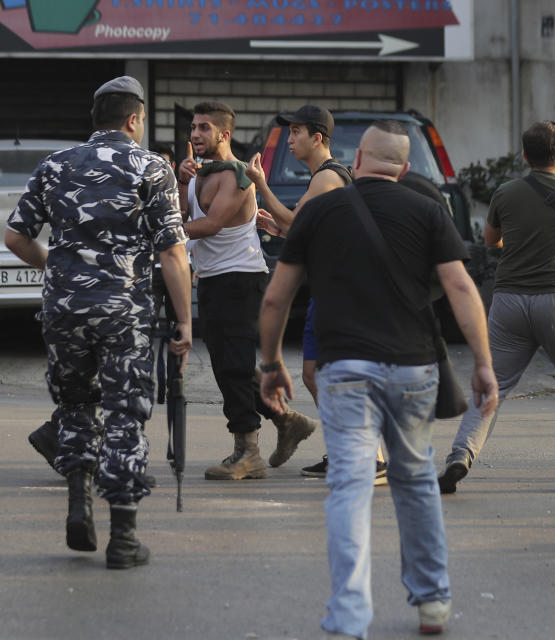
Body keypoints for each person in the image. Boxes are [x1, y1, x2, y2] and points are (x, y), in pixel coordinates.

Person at [258, 119, 497, 639]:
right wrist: (481, 362)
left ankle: (348, 615)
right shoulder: (429, 211)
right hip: (414, 369)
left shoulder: (319, 211)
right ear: (405, 169)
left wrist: (272, 362)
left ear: (357, 160)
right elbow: (460, 286)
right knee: (415, 481)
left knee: (349, 485)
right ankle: (432, 602)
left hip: (344, 370)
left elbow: (277, 296)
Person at [4, 76, 193, 569]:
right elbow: (173, 253)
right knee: (125, 413)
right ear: (134, 119)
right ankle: (124, 538)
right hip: (124, 312)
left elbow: (16, 238)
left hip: (64, 309)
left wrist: (60, 268)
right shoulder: (152, 168)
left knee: (74, 405)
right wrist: (187, 323)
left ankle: (77, 504)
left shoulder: (55, 166)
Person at [436, 120, 555, 495]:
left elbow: (493, 241)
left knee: (493, 384)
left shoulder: (506, 194)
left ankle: (460, 454)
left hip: (508, 303)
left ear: (525, 156)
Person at [176, 101, 315, 481]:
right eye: (193, 127)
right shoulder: (200, 172)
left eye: (204, 128)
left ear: (224, 134)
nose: (195, 135)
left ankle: (247, 452)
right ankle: (287, 420)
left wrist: (159, 233)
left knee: (233, 366)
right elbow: (185, 216)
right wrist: (182, 179)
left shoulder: (236, 176)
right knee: (228, 365)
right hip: (213, 279)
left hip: (241, 279)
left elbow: (211, 224)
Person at [243, 104, 369, 474]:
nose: (290, 139)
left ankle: (358, 452)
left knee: (332, 376)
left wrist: (261, 184)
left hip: (341, 293)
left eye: (296, 132)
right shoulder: (322, 178)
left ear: (317, 138)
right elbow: (303, 231)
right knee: (314, 374)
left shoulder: (328, 177)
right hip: (328, 291)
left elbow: (298, 221)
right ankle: (342, 450)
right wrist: (277, 229)